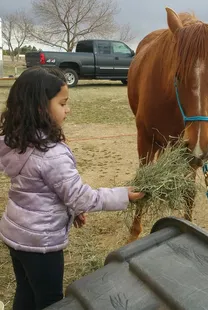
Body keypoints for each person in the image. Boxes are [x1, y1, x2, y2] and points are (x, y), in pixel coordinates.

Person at [0, 67, 144, 310]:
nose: (68, 109)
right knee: (50, 300)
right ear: (40, 108)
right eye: (63, 103)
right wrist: (122, 195)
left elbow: (43, 191)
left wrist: (71, 211)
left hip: (15, 235)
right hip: (41, 245)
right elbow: (80, 197)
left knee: (25, 290)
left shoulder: (15, 140)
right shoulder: (51, 154)